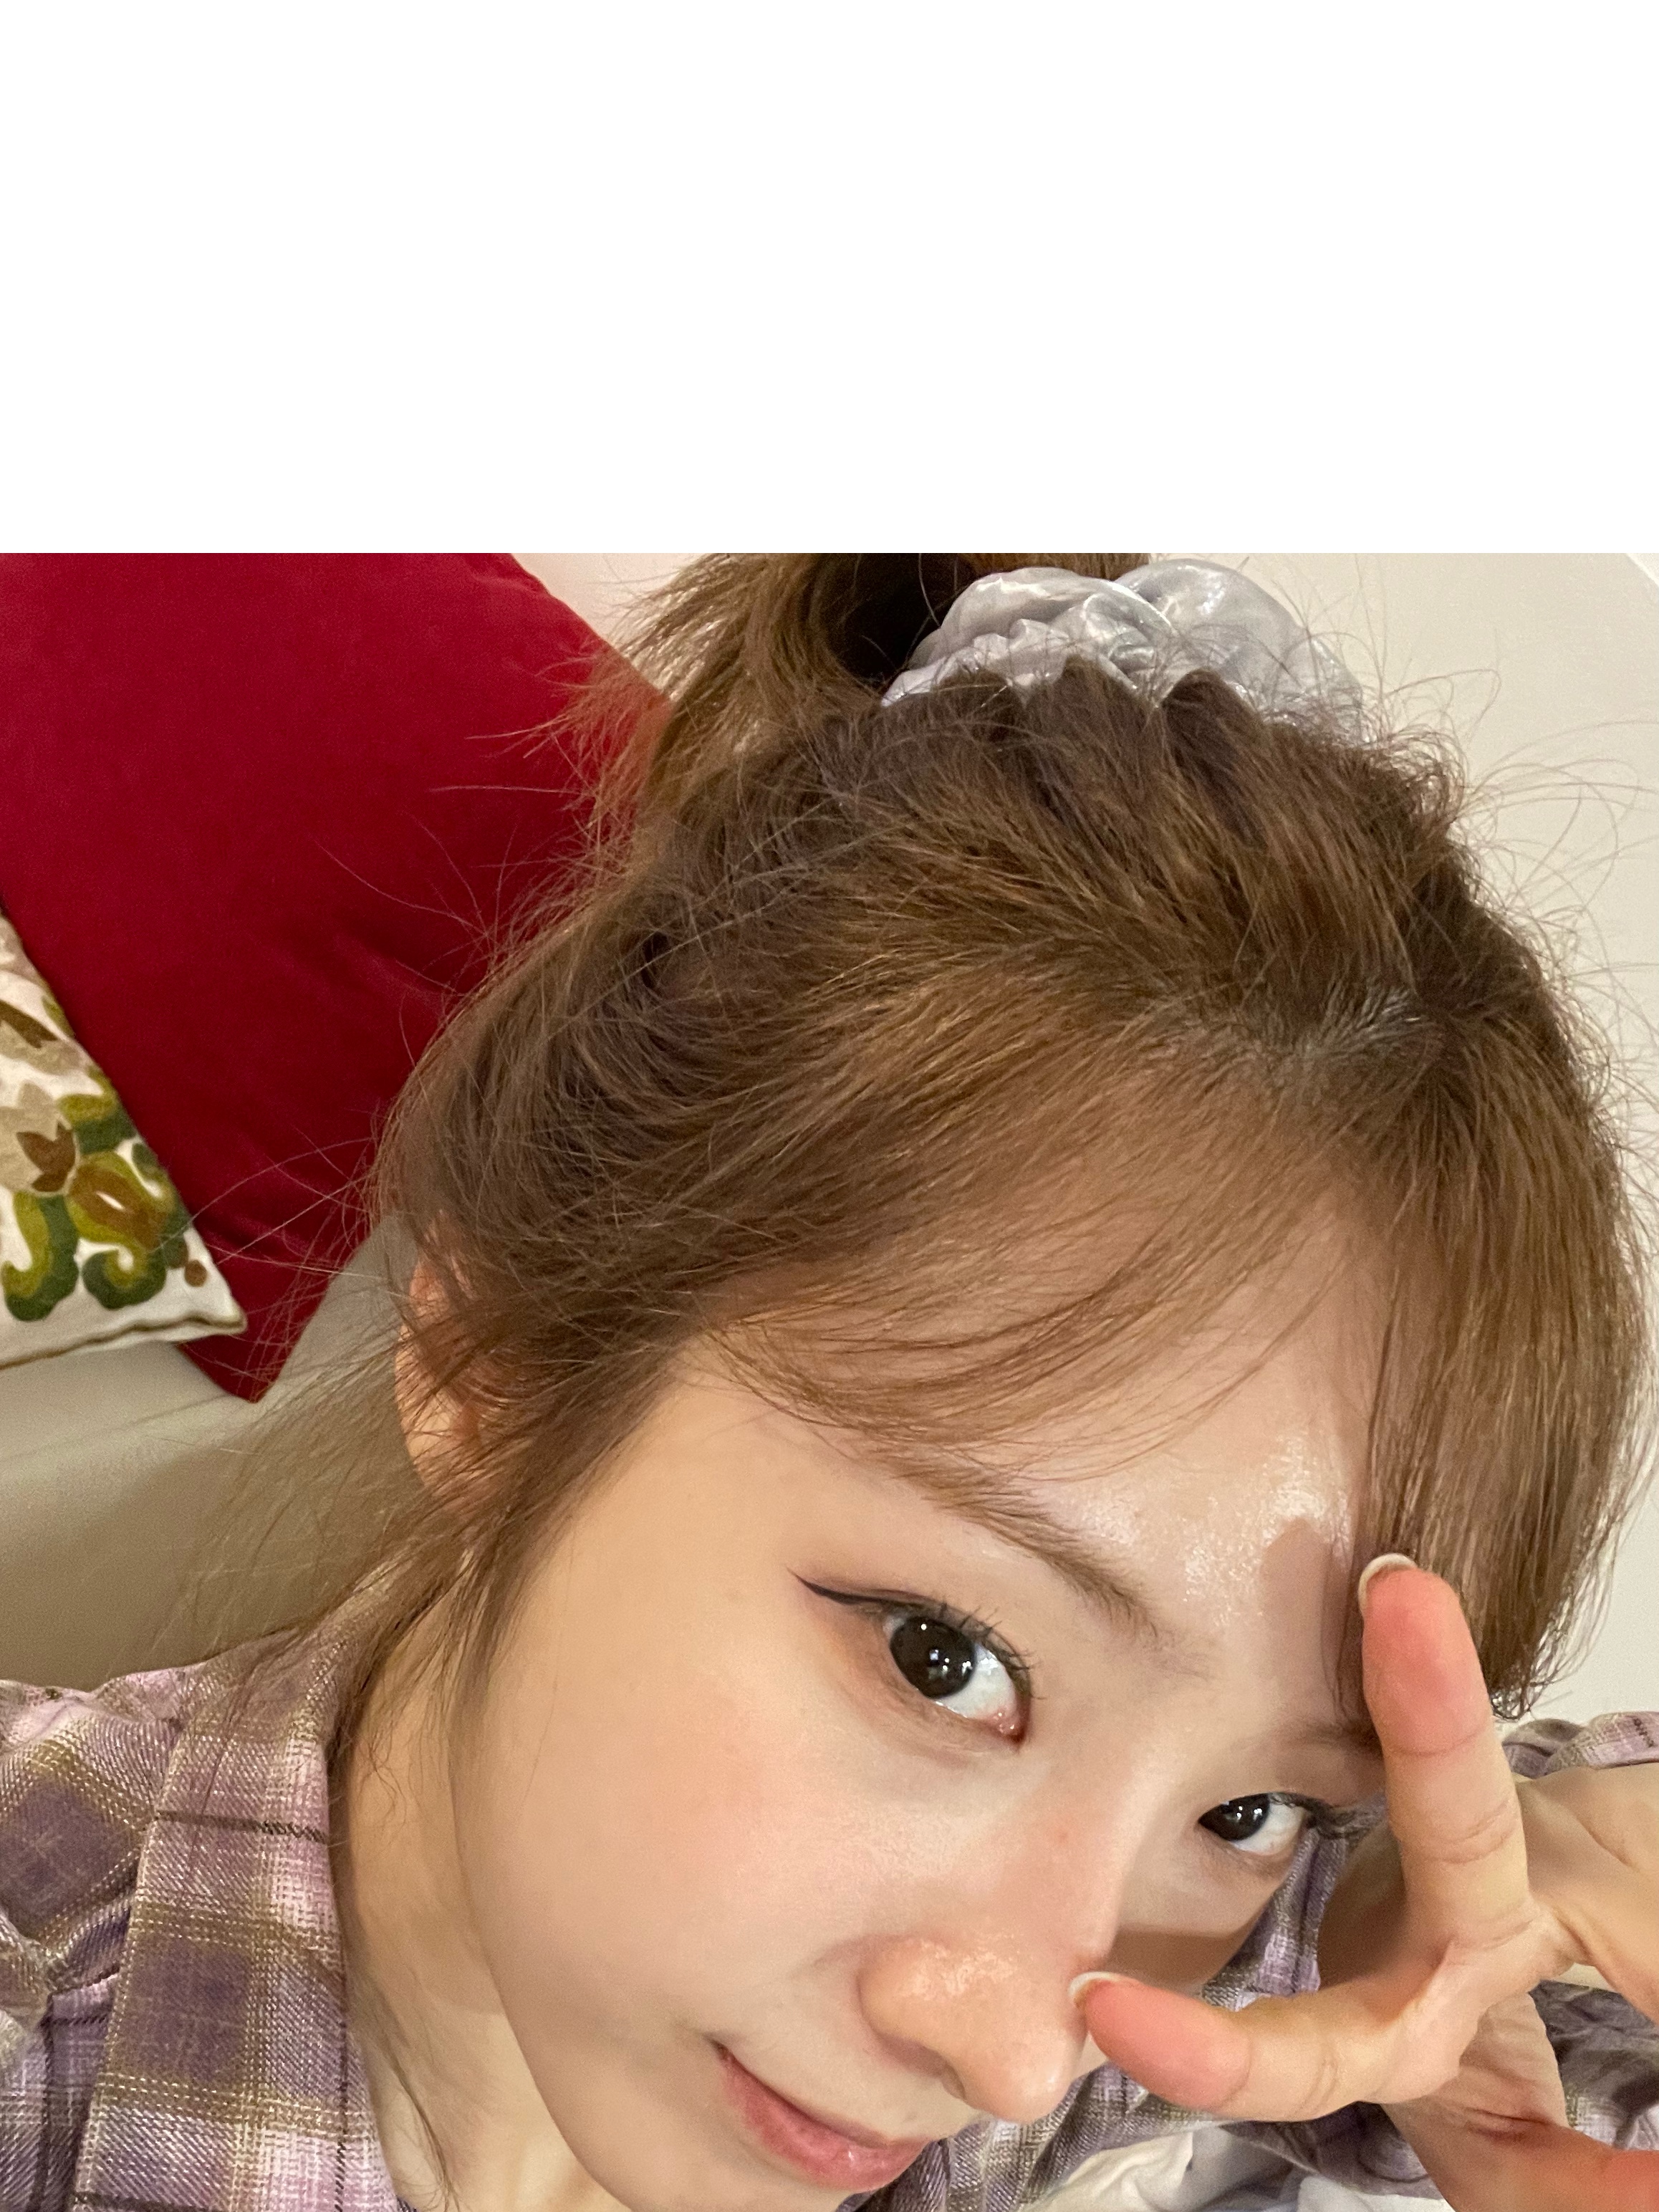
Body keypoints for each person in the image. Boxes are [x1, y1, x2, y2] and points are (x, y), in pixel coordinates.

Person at [1, 553, 1656, 2212]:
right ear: (493, 1365)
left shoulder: (1195, 1974)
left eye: (1253, 1805)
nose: (1019, 2056)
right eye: (946, 1659)